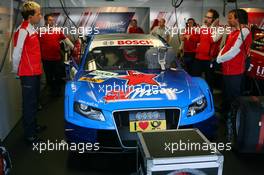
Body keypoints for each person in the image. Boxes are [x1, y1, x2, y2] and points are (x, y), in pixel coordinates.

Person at [216, 9, 252, 140]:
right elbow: (225, 48)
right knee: (227, 97)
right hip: (227, 70)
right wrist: (218, 57)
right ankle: (228, 123)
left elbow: (234, 51)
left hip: (236, 72)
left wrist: (218, 60)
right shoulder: (234, 32)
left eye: (231, 18)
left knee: (235, 100)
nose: (229, 20)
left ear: (238, 19)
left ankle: (234, 129)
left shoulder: (244, 31)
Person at [12, 1, 44, 143]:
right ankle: (29, 134)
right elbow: (16, 53)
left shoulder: (31, 28)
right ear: (30, 16)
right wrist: (16, 71)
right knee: (29, 104)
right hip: (27, 74)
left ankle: (33, 126)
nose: (40, 16)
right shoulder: (23, 30)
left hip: (35, 72)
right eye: (38, 14)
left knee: (34, 102)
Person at [186, 9, 223, 91]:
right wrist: (189, 37)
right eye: (206, 16)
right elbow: (198, 38)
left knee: (209, 82)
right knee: (194, 79)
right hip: (198, 58)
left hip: (209, 60)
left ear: (215, 19)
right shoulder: (203, 27)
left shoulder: (220, 29)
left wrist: (212, 27)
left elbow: (212, 40)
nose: (206, 19)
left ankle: (209, 99)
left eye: (209, 17)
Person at [39, 13, 74, 97]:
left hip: (56, 58)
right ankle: (51, 91)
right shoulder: (41, 31)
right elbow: (37, 44)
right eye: (50, 20)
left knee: (58, 76)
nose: (52, 21)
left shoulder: (57, 30)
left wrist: (73, 47)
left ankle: (58, 91)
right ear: (46, 21)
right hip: (46, 59)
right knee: (49, 77)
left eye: (53, 20)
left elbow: (65, 39)